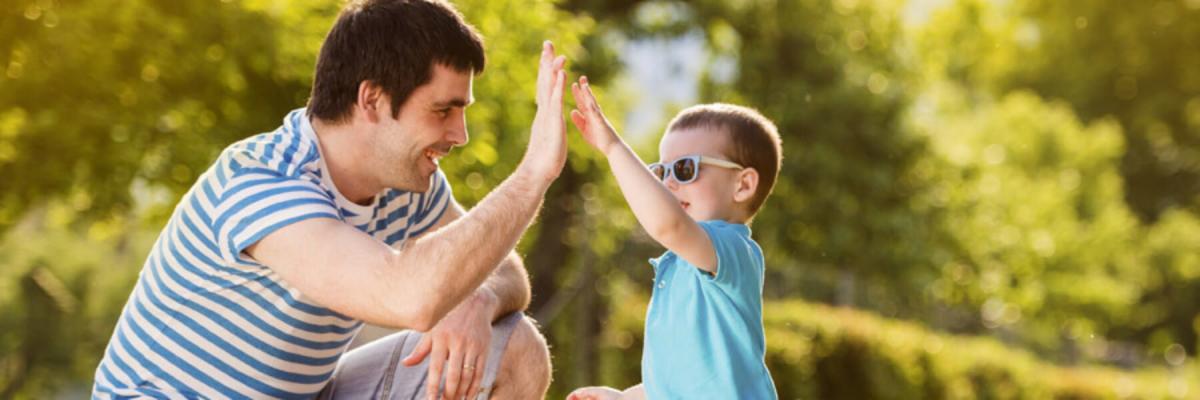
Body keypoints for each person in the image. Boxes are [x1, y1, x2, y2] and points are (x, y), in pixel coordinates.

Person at [91, 1, 569, 398]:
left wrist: (478, 300)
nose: (459, 135)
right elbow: (412, 297)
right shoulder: (261, 181)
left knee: (514, 348)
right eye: (443, 110)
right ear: (372, 100)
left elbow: (505, 271)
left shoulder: (405, 184)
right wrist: (532, 176)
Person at [565, 77, 781, 399]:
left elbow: (669, 225)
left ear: (743, 185)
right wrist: (625, 397)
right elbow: (678, 380)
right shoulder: (680, 266)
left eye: (684, 169)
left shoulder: (734, 250)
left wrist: (612, 147)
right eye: (662, 172)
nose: (668, 184)